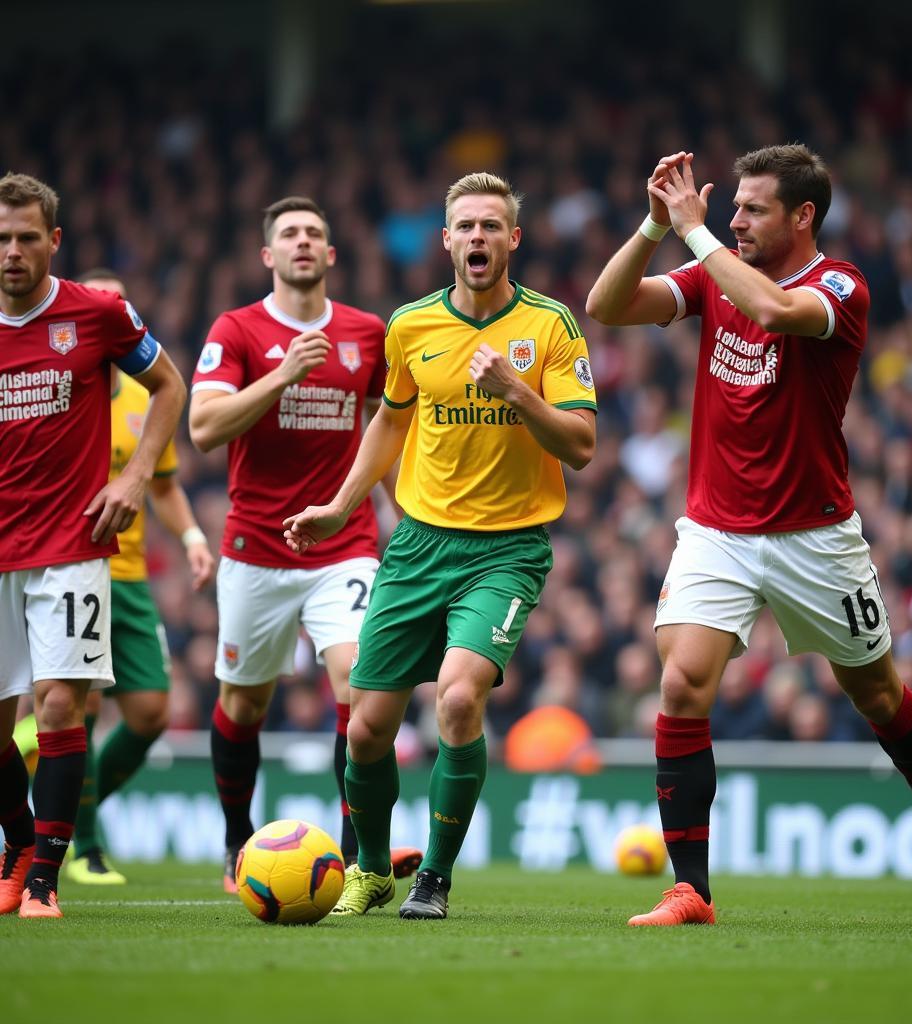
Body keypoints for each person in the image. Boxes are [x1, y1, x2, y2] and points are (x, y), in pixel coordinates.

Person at [586, 145, 912, 926]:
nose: (733, 220)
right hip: (716, 529)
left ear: (803, 215)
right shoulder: (713, 268)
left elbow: (773, 311)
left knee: (875, 691)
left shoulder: (841, 285)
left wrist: (697, 237)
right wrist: (655, 225)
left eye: (752, 208)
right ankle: (691, 889)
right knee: (681, 685)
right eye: (731, 207)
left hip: (815, 535)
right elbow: (607, 304)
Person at [284, 171, 597, 920]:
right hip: (419, 545)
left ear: (513, 239)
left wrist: (518, 393)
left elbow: (582, 445)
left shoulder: (551, 326)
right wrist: (339, 505)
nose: (479, 237)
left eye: (493, 225)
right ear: (447, 239)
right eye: (467, 226)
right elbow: (389, 423)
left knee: (459, 699)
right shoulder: (412, 326)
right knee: (365, 727)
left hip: (506, 551)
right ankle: (370, 869)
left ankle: (436, 878)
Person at [188, 196, 421, 897]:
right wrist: (282, 374)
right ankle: (237, 841)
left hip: (343, 544)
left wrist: (402, 509)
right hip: (255, 547)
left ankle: (359, 858)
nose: (302, 243)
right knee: (243, 704)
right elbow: (203, 428)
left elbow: (394, 424)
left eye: (314, 234)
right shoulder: (238, 330)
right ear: (267, 255)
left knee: (357, 682)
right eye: (288, 233)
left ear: (331, 255)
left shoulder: (365, 331)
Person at [0, 173, 186, 918]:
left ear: (54, 240)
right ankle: (17, 844)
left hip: (72, 543)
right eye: (1, 239)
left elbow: (170, 386)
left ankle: (43, 878)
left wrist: (137, 477)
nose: (11, 252)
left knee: (58, 708)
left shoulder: (98, 313)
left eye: (24, 237)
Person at [56, 269, 216, 884]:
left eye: (120, 302)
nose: (111, 310)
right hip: (72, 567)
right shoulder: (56, 385)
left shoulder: (144, 397)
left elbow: (166, 485)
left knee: (150, 713)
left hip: (128, 577)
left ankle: (65, 801)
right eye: (100, 301)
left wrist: (194, 538)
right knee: (85, 704)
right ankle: (85, 845)